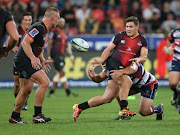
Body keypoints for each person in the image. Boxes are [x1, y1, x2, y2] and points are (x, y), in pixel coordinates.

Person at [72, 16, 148, 122]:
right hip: (114, 63)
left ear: (137, 27)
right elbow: (108, 49)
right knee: (126, 81)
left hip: (124, 68)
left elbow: (144, 56)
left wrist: (139, 59)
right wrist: (101, 60)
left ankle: (79, 107)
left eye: (131, 27)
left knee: (107, 98)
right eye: (126, 26)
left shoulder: (142, 40)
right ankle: (124, 109)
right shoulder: (119, 36)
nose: (128, 29)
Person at [9, 7, 60, 124]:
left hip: (22, 60)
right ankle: (37, 115)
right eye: (57, 18)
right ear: (52, 18)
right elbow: (25, 42)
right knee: (45, 82)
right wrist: (32, 58)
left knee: (26, 89)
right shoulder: (38, 27)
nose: (58, 21)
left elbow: (37, 47)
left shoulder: (44, 30)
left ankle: (14, 117)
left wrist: (42, 59)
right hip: (25, 60)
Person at [88, 62, 164, 120]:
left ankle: (158, 109)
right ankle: (125, 113)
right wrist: (93, 77)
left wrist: (123, 71)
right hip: (134, 85)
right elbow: (99, 78)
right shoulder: (112, 67)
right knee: (118, 93)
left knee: (143, 112)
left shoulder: (129, 63)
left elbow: (134, 68)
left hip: (147, 84)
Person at [5, 12, 33, 110]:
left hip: (29, 61)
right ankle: (18, 101)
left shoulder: (33, 31)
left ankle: (24, 103)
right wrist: (13, 48)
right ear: (22, 21)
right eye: (26, 20)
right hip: (18, 61)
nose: (27, 22)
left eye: (29, 20)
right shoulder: (17, 31)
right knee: (17, 84)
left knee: (27, 85)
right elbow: (8, 41)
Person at [47, 17, 78, 97]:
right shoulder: (54, 32)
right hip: (55, 55)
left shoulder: (64, 34)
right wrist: (49, 56)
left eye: (63, 22)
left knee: (58, 74)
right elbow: (49, 44)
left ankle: (51, 92)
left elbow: (67, 46)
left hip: (61, 55)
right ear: (57, 23)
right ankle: (68, 92)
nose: (61, 23)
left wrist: (71, 57)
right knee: (62, 72)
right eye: (60, 22)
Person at [167, 27, 180, 113]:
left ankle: (178, 104)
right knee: (172, 84)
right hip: (177, 60)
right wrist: (169, 48)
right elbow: (169, 40)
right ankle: (176, 92)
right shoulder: (175, 32)